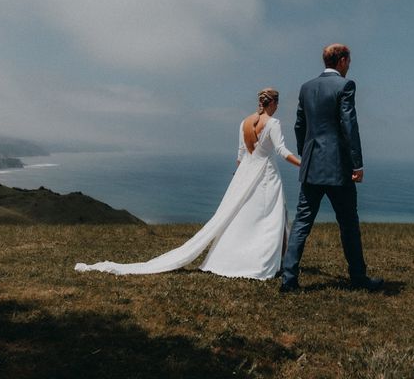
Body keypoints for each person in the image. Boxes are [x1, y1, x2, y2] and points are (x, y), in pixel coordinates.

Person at [75, 88, 300, 279]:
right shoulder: (273, 123)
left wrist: (239, 179)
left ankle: (234, 258)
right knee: (269, 217)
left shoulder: (243, 123)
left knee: (240, 218)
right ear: (275, 104)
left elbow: (240, 156)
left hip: (245, 175)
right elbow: (281, 151)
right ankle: (266, 262)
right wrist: (302, 164)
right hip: (267, 176)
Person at [280, 44, 383, 292]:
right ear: (343, 60)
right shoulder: (345, 86)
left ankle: (289, 280)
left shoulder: (306, 87)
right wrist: (357, 163)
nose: (349, 66)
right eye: (349, 61)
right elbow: (349, 125)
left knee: (302, 223)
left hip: (312, 165)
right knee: (348, 223)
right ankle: (358, 278)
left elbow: (299, 125)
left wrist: (307, 154)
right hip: (338, 167)